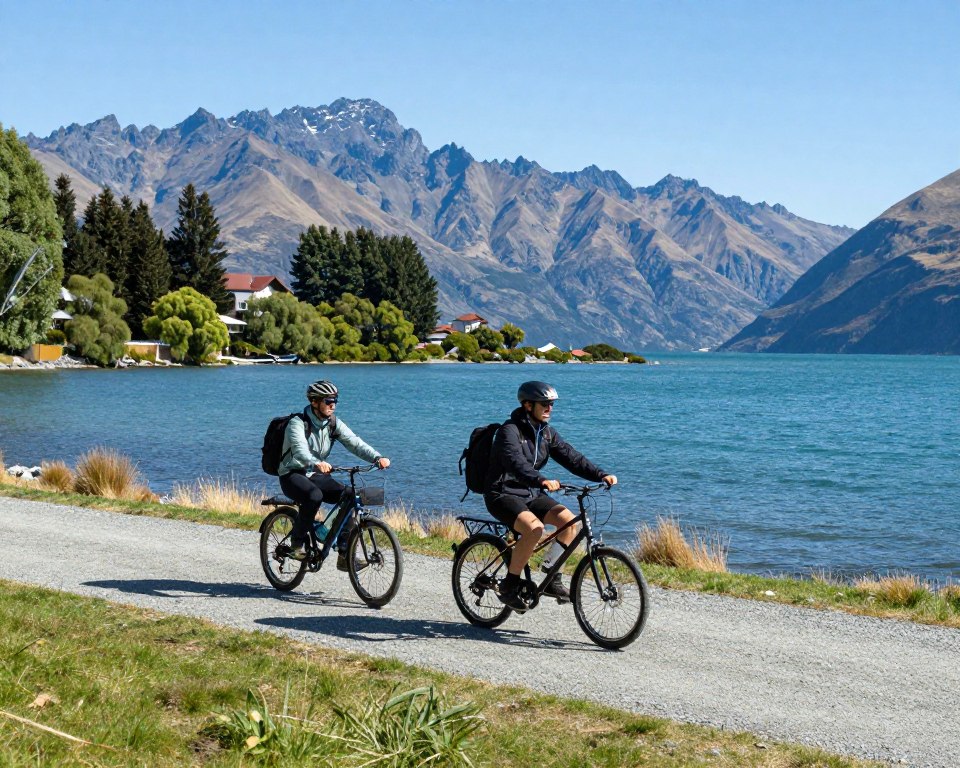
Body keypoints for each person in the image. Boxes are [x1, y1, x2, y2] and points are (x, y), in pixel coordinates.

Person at [484, 380, 616, 609]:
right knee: (534, 529)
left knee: (569, 523)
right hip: (502, 493)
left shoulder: (546, 434)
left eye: (552, 404)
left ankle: (552, 575)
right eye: (544, 404)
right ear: (528, 405)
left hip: (530, 492)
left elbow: (572, 458)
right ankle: (509, 584)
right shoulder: (509, 431)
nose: (549, 408)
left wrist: (600, 474)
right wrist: (541, 480)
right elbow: (515, 462)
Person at [278, 379, 390, 569]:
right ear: (314, 402)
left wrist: (376, 457)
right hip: (292, 473)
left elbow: (354, 442)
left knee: (350, 496)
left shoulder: (332, 423)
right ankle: (296, 544)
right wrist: (316, 463)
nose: (333, 405)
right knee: (314, 496)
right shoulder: (297, 423)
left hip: (316, 473)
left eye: (335, 401)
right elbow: (299, 451)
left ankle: (344, 554)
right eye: (329, 401)